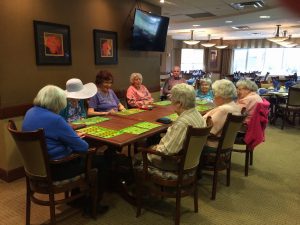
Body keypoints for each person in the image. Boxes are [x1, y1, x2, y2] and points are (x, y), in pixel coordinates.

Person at [22, 85, 108, 214]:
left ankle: (75, 199)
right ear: (58, 103)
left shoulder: (30, 112)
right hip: (56, 169)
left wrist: (69, 137)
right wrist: (73, 138)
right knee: (101, 160)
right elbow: (83, 147)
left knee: (83, 157)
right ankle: (93, 204)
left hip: (36, 169)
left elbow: (50, 137)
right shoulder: (55, 119)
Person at [140, 83, 206, 171]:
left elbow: (168, 151)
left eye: (172, 100)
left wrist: (155, 148)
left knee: (139, 155)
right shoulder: (197, 114)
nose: (171, 103)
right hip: (192, 160)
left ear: (179, 103)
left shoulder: (182, 123)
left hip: (175, 163)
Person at [202, 79, 241, 149]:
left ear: (221, 95)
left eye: (214, 94)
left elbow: (208, 130)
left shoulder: (223, 110)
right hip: (226, 144)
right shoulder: (235, 106)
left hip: (213, 143)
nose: (213, 97)